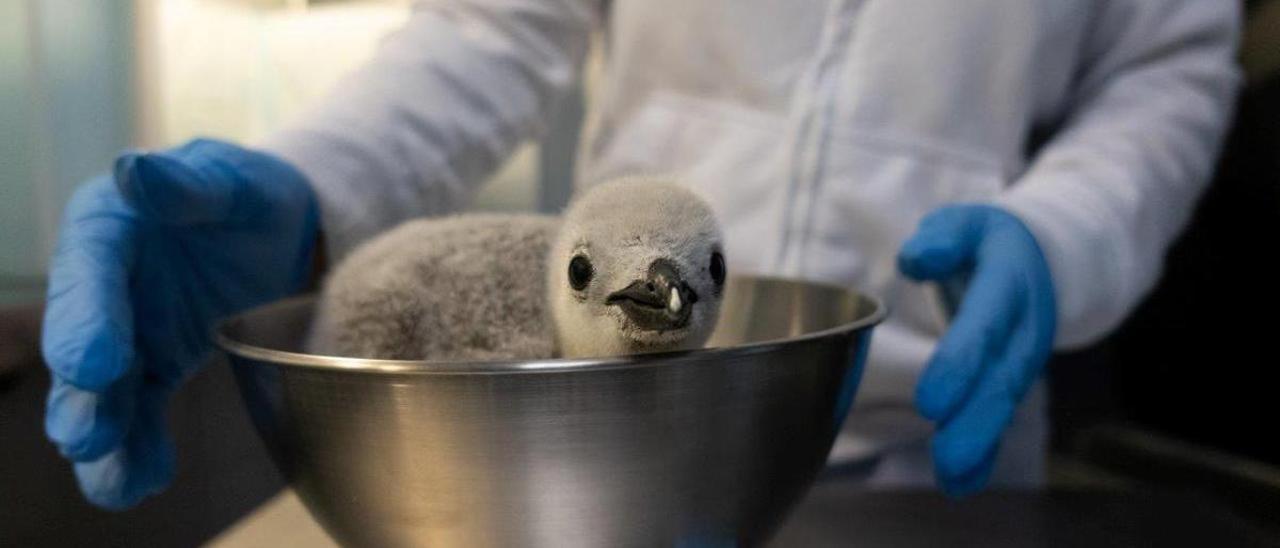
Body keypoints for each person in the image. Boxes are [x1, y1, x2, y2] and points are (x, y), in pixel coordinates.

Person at [41, 1, 1240, 510]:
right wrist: (315, 183)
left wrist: (1067, 230)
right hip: (600, 453)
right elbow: (496, 26)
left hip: (940, 444)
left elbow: (1166, 63)